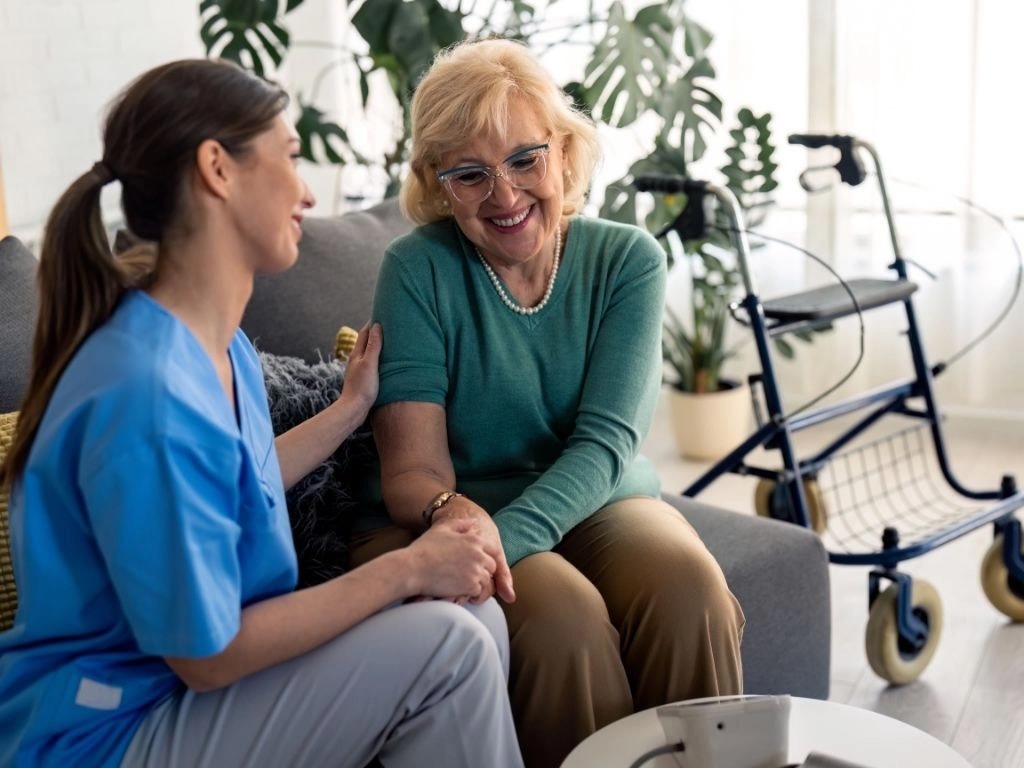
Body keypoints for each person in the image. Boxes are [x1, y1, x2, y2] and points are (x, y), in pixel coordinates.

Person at [0, 58, 522, 768]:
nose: (307, 193)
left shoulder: (221, 349)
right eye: (291, 156)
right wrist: (408, 569)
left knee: (475, 615)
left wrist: (348, 410)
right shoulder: (140, 388)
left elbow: (231, 480)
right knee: (450, 645)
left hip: (183, 702)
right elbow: (207, 654)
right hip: (108, 735)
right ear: (217, 167)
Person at [350, 38, 747, 766]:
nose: (503, 195)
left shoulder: (627, 260)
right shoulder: (417, 269)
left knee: (691, 586)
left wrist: (505, 537)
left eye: (525, 160)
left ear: (563, 154)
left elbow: (604, 446)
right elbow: (412, 472)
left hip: (597, 497)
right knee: (564, 621)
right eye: (469, 174)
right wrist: (453, 520)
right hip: (458, 509)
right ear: (439, 187)